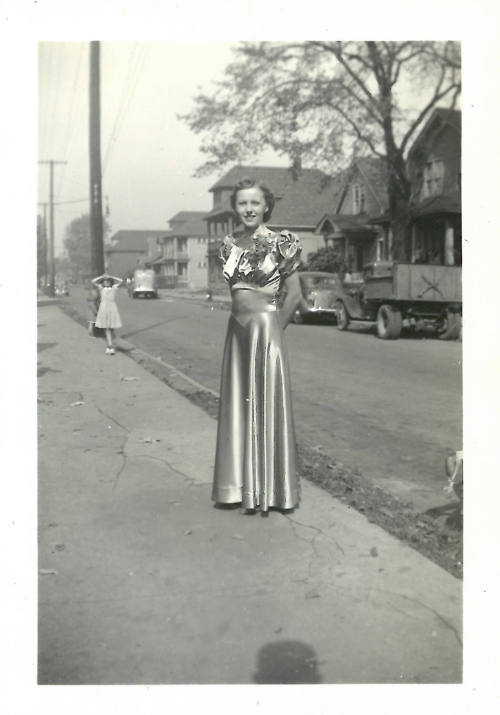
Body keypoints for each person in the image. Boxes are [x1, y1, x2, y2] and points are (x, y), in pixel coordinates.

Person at [212, 177, 303, 514]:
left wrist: (275, 331)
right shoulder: (227, 245)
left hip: (267, 330)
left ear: (266, 206)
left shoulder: (284, 241)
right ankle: (236, 488)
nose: (248, 209)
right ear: (234, 207)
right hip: (236, 332)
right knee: (238, 406)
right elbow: (237, 293)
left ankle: (272, 493)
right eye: (242, 203)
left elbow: (295, 295)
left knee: (266, 405)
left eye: (254, 203)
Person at [91, 273, 123, 354]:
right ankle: (110, 345)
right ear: (103, 283)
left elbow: (121, 281)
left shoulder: (114, 288)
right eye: (105, 281)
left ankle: (110, 345)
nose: (107, 282)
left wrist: (111, 276)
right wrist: (102, 276)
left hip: (112, 307)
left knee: (110, 327)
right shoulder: (101, 288)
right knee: (106, 327)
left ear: (111, 282)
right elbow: (93, 281)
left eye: (108, 281)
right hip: (104, 308)